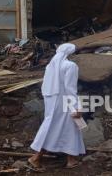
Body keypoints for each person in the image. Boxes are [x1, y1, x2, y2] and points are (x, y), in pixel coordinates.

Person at [28, 43, 85, 171]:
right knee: (69, 126)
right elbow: (70, 88)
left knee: (62, 126)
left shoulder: (50, 66)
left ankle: (71, 159)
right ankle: (36, 157)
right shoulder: (70, 66)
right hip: (64, 101)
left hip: (52, 100)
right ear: (71, 54)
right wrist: (77, 106)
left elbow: (46, 87)